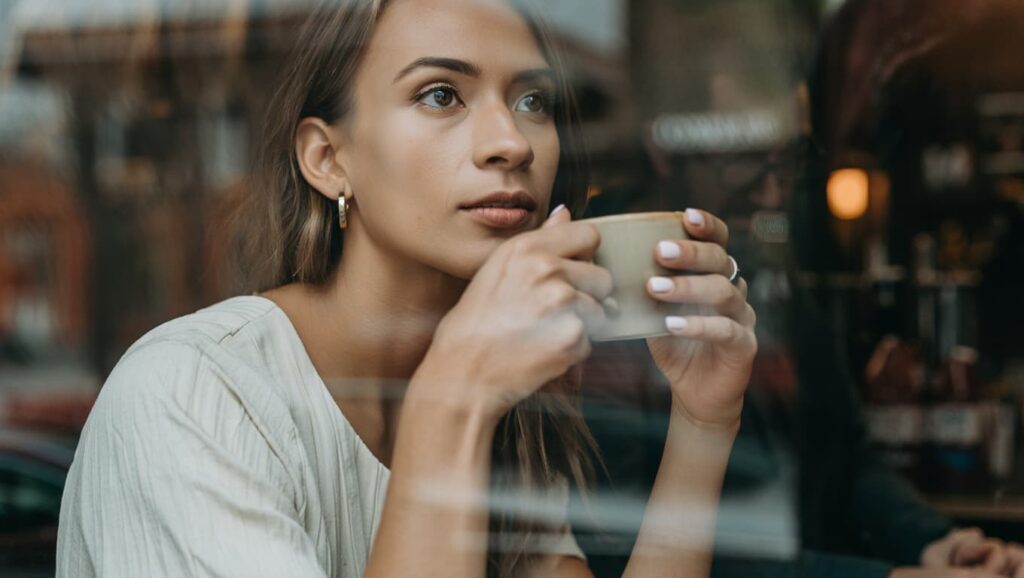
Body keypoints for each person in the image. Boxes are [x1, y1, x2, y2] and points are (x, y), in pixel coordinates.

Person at [55, 1, 757, 577]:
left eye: (533, 99)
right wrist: (455, 395)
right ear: (328, 160)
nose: (511, 142)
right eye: (441, 94)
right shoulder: (190, 398)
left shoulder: (505, 400)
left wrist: (702, 424)